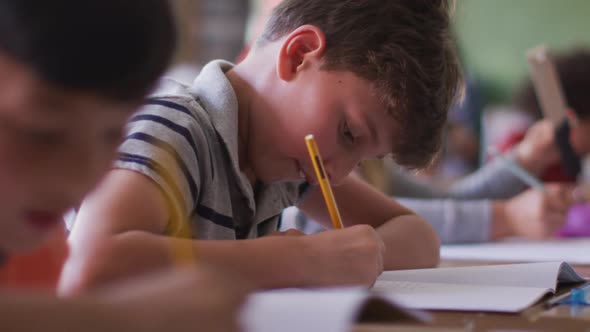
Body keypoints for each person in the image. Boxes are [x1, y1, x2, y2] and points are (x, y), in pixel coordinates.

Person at [62, 0, 463, 292]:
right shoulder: (176, 130)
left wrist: (352, 255)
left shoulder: (283, 168)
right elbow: (90, 265)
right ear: (300, 54)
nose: (340, 171)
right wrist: (297, 262)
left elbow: (419, 237)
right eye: (349, 134)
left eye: (363, 157)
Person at [0, 1, 247, 331]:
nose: (79, 181)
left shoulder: (36, 249)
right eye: (42, 133)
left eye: (111, 133)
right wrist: (117, 316)